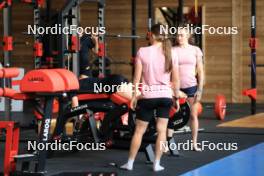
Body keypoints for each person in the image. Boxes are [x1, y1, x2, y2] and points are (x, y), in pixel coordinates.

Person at [120, 24, 180, 172]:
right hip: (165, 96)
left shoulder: (142, 51)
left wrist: (134, 96)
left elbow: (136, 78)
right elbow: (176, 80)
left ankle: (130, 163)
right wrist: (176, 98)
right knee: (162, 131)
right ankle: (157, 164)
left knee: (139, 131)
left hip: (147, 96)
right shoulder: (172, 52)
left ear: (152, 35)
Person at [171, 25, 205, 151]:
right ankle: (165, 144)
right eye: (177, 34)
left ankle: (194, 143)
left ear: (188, 35)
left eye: (181, 35)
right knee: (170, 116)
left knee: (193, 115)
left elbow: (201, 71)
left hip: (191, 86)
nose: (179, 37)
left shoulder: (195, 50)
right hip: (175, 87)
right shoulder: (172, 50)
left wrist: (200, 89)